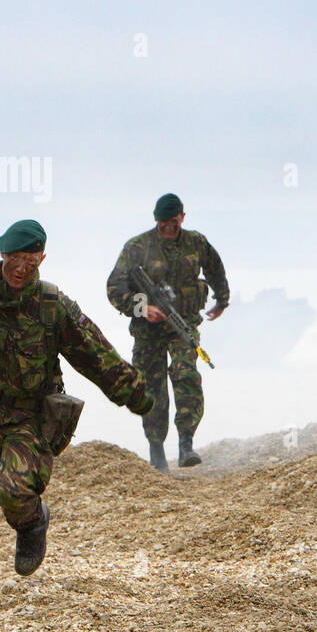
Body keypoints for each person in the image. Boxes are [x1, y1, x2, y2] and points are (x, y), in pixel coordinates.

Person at [0, 220, 153, 620]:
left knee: (12, 491)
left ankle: (32, 520)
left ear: (42, 257)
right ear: (2, 256)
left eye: (29, 259)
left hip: (30, 416)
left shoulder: (52, 305)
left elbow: (94, 353)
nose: (20, 268)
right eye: (13, 259)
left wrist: (135, 393)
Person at [106, 193, 228, 470]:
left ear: (183, 217)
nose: (169, 228)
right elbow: (114, 288)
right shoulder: (137, 247)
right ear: (156, 220)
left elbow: (215, 269)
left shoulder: (196, 242)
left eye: (174, 222)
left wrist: (222, 299)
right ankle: (156, 450)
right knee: (151, 387)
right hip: (147, 332)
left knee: (186, 375)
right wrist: (143, 308)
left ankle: (186, 443)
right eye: (163, 223)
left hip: (183, 323)